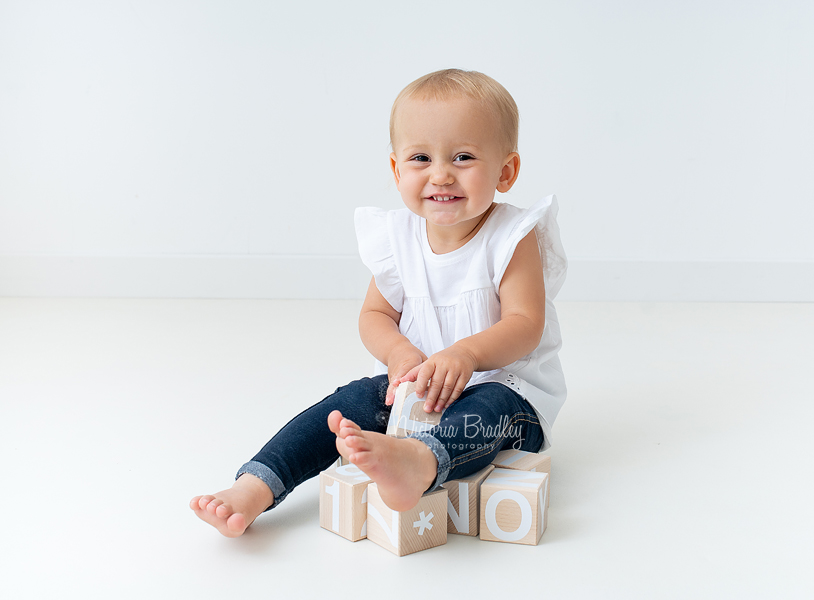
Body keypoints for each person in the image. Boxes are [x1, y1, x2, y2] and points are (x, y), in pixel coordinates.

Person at [189, 69, 567, 537]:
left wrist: (467, 354)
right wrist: (398, 354)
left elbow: (525, 322)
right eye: (421, 158)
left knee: (489, 408)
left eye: (464, 157)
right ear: (396, 171)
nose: (441, 173)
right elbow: (375, 315)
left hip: (507, 391)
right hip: (418, 391)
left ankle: (418, 463)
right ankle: (256, 485)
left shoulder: (511, 236)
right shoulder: (397, 239)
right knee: (353, 400)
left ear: (505, 171)